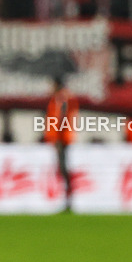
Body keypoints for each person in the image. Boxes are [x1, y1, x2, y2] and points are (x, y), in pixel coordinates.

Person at [44, 76, 78, 211]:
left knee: (64, 169)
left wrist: (58, 137)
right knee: (62, 169)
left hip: (62, 139)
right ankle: (66, 200)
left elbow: (61, 118)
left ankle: (68, 200)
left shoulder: (61, 98)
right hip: (62, 138)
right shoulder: (64, 97)